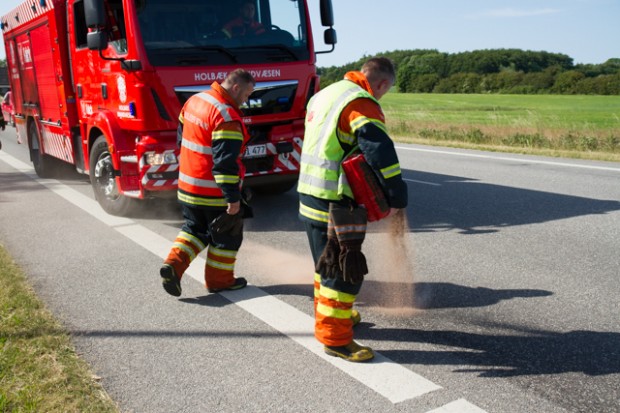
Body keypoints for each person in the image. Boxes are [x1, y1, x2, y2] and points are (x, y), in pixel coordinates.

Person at [297, 57, 409, 362]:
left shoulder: (325, 94)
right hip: (335, 200)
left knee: (326, 262)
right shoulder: (362, 103)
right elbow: (380, 153)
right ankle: (336, 339)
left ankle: (331, 317)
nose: (382, 96)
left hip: (308, 192)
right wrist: (398, 194)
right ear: (383, 83)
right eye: (386, 91)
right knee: (345, 272)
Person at [160, 69, 255, 297]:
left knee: (195, 230)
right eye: (246, 94)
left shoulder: (196, 100)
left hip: (187, 185)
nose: (246, 100)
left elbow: (182, 134)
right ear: (236, 88)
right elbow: (225, 164)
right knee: (228, 235)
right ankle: (219, 281)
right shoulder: (228, 117)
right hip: (211, 191)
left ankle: (173, 265)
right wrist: (232, 200)